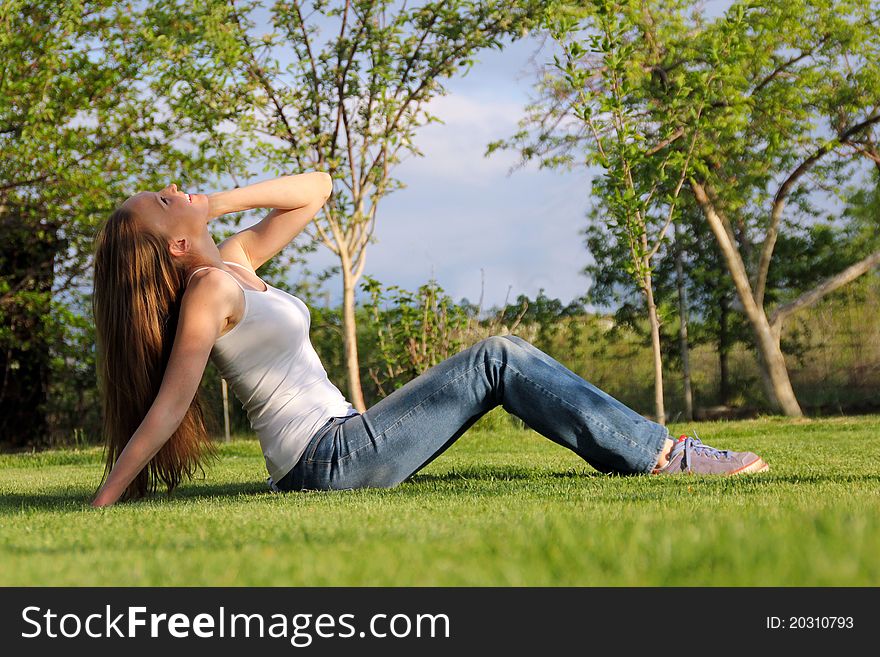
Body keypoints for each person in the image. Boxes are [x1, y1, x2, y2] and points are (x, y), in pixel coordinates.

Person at [90, 172, 768, 508]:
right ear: (176, 245)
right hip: (324, 462)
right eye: (163, 198)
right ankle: (664, 455)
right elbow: (172, 406)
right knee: (497, 356)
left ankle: (654, 450)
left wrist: (218, 202)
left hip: (342, 440)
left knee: (498, 358)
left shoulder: (233, 260)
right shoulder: (208, 293)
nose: (175, 187)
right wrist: (105, 498)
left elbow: (317, 187)